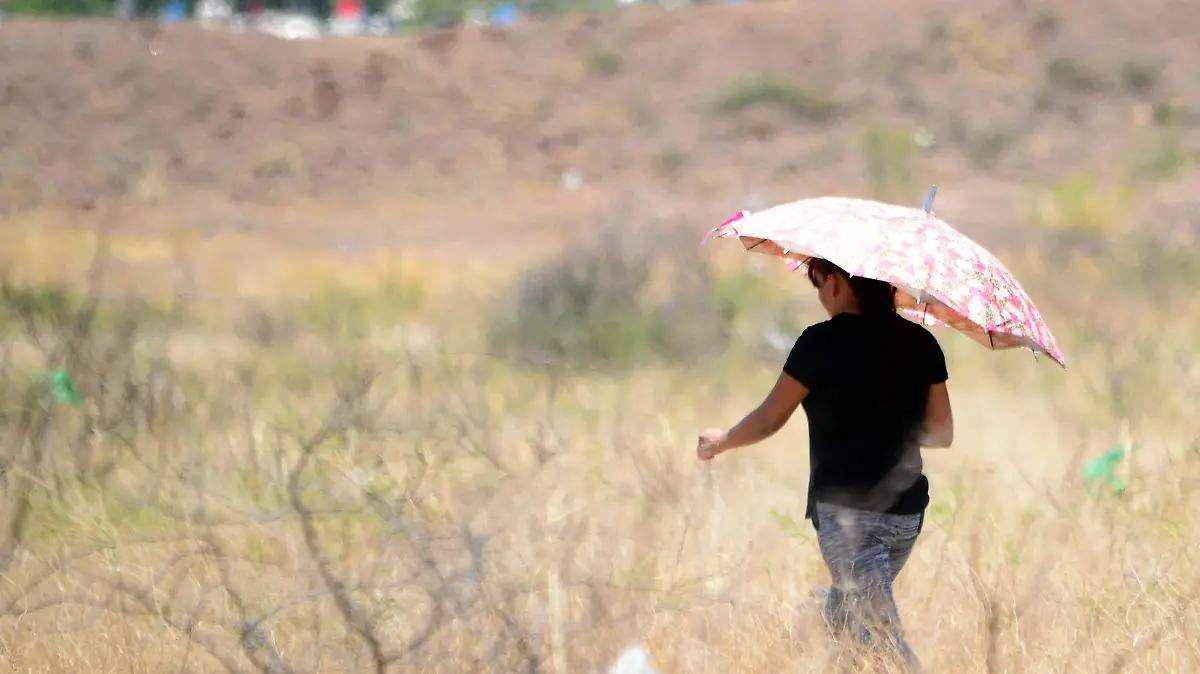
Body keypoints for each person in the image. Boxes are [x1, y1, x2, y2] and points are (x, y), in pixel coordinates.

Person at [696, 257, 954, 671]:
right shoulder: (920, 343)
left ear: (836, 283)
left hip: (850, 521)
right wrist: (893, 416)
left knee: (883, 640)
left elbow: (768, 419)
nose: (819, 292)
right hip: (906, 516)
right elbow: (942, 433)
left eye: (818, 281)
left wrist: (722, 441)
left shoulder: (820, 343)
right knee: (843, 618)